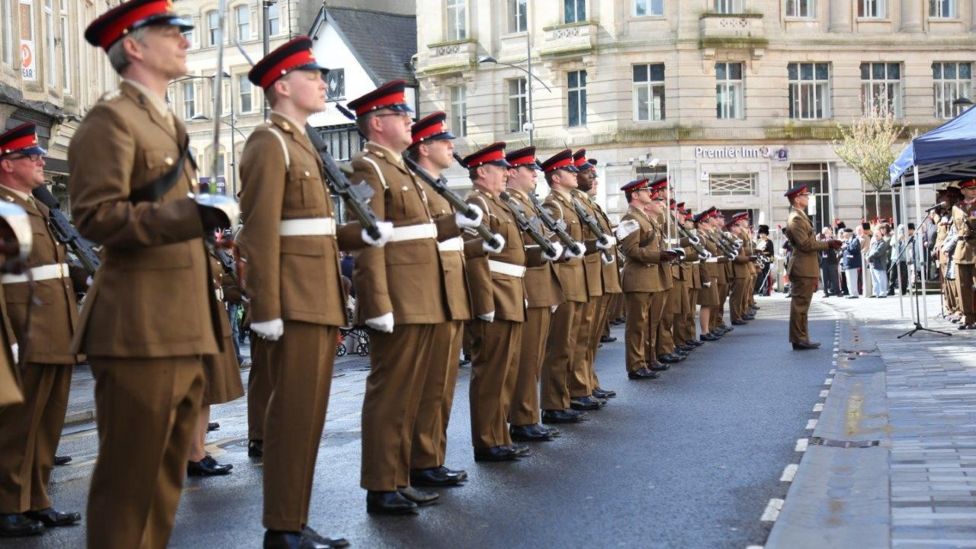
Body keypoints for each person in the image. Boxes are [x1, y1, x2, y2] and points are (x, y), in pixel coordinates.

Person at [71, 2, 233, 546]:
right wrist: (193, 213)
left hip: (181, 323)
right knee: (129, 479)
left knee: (164, 479)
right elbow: (96, 216)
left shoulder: (164, 119)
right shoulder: (110, 120)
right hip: (139, 325)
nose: (186, 42)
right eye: (172, 33)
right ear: (134, 46)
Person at [237, 37, 395, 547]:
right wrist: (263, 306)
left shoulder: (304, 142)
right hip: (294, 298)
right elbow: (258, 229)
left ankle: (294, 522)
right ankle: (282, 527)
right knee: (291, 416)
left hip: (317, 295)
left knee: (308, 418)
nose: (324, 84)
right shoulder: (271, 142)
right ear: (283, 85)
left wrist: (361, 234)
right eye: (314, 76)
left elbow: (316, 230)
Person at [348, 80, 482, 515]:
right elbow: (372, 240)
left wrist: (459, 224)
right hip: (402, 299)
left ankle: (400, 476)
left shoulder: (404, 170)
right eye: (401, 115)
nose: (410, 120)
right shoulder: (369, 167)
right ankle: (382, 483)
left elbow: (418, 233)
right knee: (391, 393)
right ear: (377, 123)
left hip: (424, 295)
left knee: (410, 393)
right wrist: (378, 302)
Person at [0, 123, 82, 537]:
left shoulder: (41, 207)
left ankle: (37, 499)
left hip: (57, 325)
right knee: (19, 423)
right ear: (6, 165)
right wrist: (7, 339)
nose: (40, 161)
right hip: (24, 325)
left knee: (48, 421)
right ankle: (8, 506)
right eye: (30, 156)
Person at [406, 112, 477, 486]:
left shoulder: (439, 186)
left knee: (443, 385)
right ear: (423, 147)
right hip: (429, 290)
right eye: (443, 141)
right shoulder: (419, 185)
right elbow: (416, 236)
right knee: (428, 383)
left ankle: (433, 457)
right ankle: (421, 459)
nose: (452, 146)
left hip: (450, 291)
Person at [503, 146, 563, 443]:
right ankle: (522, 418)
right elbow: (520, 247)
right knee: (526, 359)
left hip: (542, 285)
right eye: (530, 169)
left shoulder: (529, 203)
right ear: (513, 172)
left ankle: (529, 415)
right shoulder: (511, 202)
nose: (535, 174)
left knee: (534, 357)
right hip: (529, 285)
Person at [538, 149, 590, 424]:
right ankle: (553, 403)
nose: (575, 174)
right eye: (569, 171)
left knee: (574, 342)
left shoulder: (569, 203)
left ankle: (567, 395)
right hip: (564, 281)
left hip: (578, 280)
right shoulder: (553, 205)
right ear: (556, 177)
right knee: (559, 345)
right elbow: (550, 244)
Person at [616, 178, 676, 379]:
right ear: (634, 195)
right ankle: (635, 364)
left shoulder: (646, 217)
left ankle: (649, 358)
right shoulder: (630, 218)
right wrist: (658, 256)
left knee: (651, 322)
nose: (649, 191)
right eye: (645, 189)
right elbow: (630, 250)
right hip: (638, 277)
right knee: (637, 325)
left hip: (651, 277)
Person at [783, 185, 841, 350]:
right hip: (802, 266)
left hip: (805, 265)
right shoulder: (795, 218)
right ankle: (799, 338)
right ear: (797, 199)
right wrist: (827, 244)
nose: (807, 198)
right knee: (800, 305)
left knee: (803, 305)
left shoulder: (799, 216)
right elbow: (805, 244)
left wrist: (827, 244)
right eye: (804, 195)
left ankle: (802, 337)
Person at [951, 178, 976, 330]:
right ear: (963, 191)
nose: (973, 190)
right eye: (970, 188)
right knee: (962, 285)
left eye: (975, 188)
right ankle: (967, 317)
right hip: (962, 248)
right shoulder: (956, 208)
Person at [867, 226, 891, 298]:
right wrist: (867, 255)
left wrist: (869, 256)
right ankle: (876, 292)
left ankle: (883, 292)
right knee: (875, 279)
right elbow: (870, 250)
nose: (876, 236)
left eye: (877, 235)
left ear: (881, 235)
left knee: (881, 278)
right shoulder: (875, 243)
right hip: (873, 263)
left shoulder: (883, 243)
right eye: (875, 235)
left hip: (880, 263)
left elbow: (878, 252)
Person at [818, 227, 841, 297]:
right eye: (824, 233)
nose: (825, 234)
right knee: (824, 278)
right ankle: (825, 292)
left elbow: (838, 250)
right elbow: (818, 251)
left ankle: (838, 292)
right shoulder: (821, 241)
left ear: (829, 233)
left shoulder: (833, 241)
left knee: (834, 277)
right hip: (824, 261)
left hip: (832, 261)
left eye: (827, 232)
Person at [840, 228, 862, 299]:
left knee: (852, 279)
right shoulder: (847, 241)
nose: (843, 235)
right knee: (849, 279)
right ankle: (851, 293)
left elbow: (855, 249)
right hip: (847, 262)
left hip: (852, 262)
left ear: (848, 233)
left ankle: (854, 294)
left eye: (844, 233)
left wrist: (847, 246)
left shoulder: (855, 240)